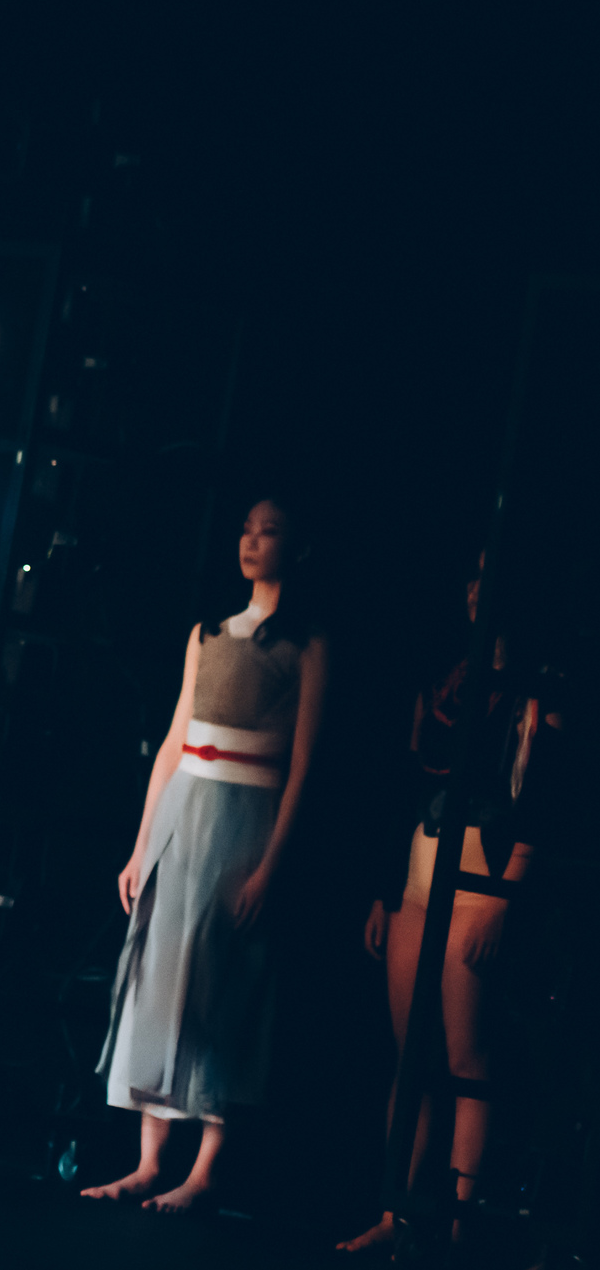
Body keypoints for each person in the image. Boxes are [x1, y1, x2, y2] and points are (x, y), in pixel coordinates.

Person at [82, 496, 329, 1211]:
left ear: (296, 547)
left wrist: (270, 865)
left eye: (269, 531)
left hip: (244, 819)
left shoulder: (306, 645)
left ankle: (206, 1169)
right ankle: (149, 1160)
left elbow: (304, 767)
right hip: (185, 809)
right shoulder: (207, 633)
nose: (251, 541)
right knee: (159, 976)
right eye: (246, 529)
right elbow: (173, 742)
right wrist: (141, 845)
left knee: (225, 984)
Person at [337, 554, 556, 1255]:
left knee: (466, 1060)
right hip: (417, 877)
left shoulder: (534, 690)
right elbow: (402, 783)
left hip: (476, 883)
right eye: (473, 575)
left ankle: (459, 1224)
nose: (475, 588)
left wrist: (502, 899)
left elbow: (542, 801)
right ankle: (394, 1212)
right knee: (412, 1059)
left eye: (493, 574)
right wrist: (384, 892)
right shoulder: (446, 679)